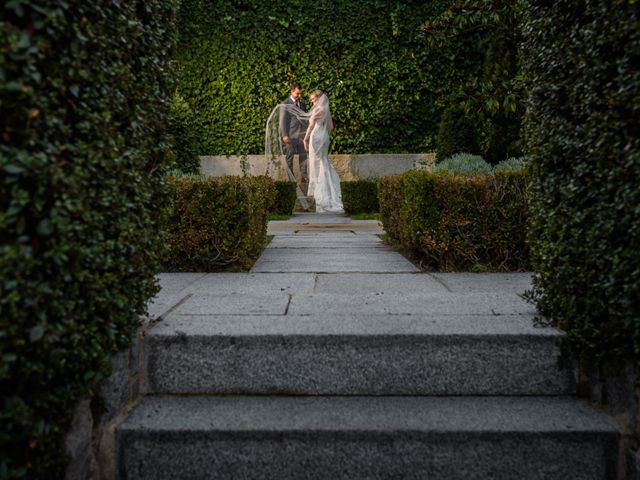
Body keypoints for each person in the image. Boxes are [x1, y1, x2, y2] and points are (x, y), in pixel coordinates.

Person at [303, 90, 344, 213]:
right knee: (323, 161)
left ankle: (320, 194)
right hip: (324, 136)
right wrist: (325, 136)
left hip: (316, 136)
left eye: (313, 99)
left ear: (319, 98)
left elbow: (310, 126)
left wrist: (305, 139)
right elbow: (330, 127)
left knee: (316, 163)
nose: (311, 101)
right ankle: (331, 192)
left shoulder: (316, 110)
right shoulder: (326, 110)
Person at [279, 84, 308, 183]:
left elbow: (304, 119)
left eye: (300, 94)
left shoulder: (302, 104)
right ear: (292, 91)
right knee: (289, 157)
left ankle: (304, 177)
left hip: (302, 135)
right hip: (290, 135)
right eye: (297, 93)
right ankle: (291, 179)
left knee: (303, 156)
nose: (299, 96)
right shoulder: (285, 103)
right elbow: (282, 120)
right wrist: (284, 135)